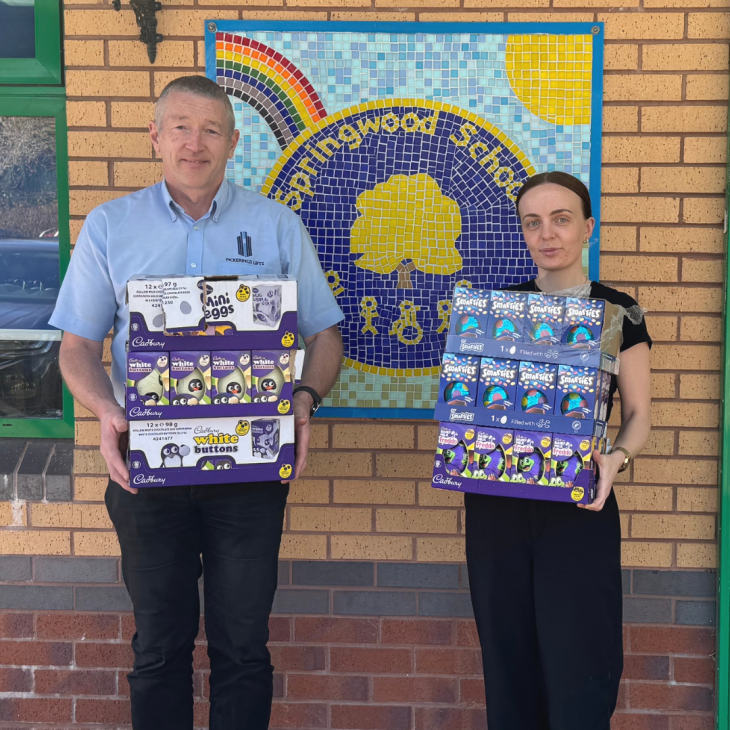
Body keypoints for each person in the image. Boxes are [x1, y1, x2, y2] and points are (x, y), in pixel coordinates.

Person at [49, 75, 344, 730]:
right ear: (155, 136)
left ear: (233, 143)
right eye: (180, 127)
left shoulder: (276, 225)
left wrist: (305, 397)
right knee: (159, 649)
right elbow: (76, 349)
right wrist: (106, 412)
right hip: (147, 471)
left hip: (249, 474)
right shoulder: (110, 227)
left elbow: (325, 334)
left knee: (243, 649)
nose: (195, 142)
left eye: (211, 129)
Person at [465, 171, 651, 730]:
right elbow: (469, 403)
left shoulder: (618, 311)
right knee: (508, 663)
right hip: (497, 505)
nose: (547, 234)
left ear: (588, 228)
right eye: (533, 222)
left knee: (581, 663)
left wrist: (616, 460)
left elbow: (639, 415)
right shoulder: (496, 308)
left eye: (561, 219)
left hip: (580, 505)